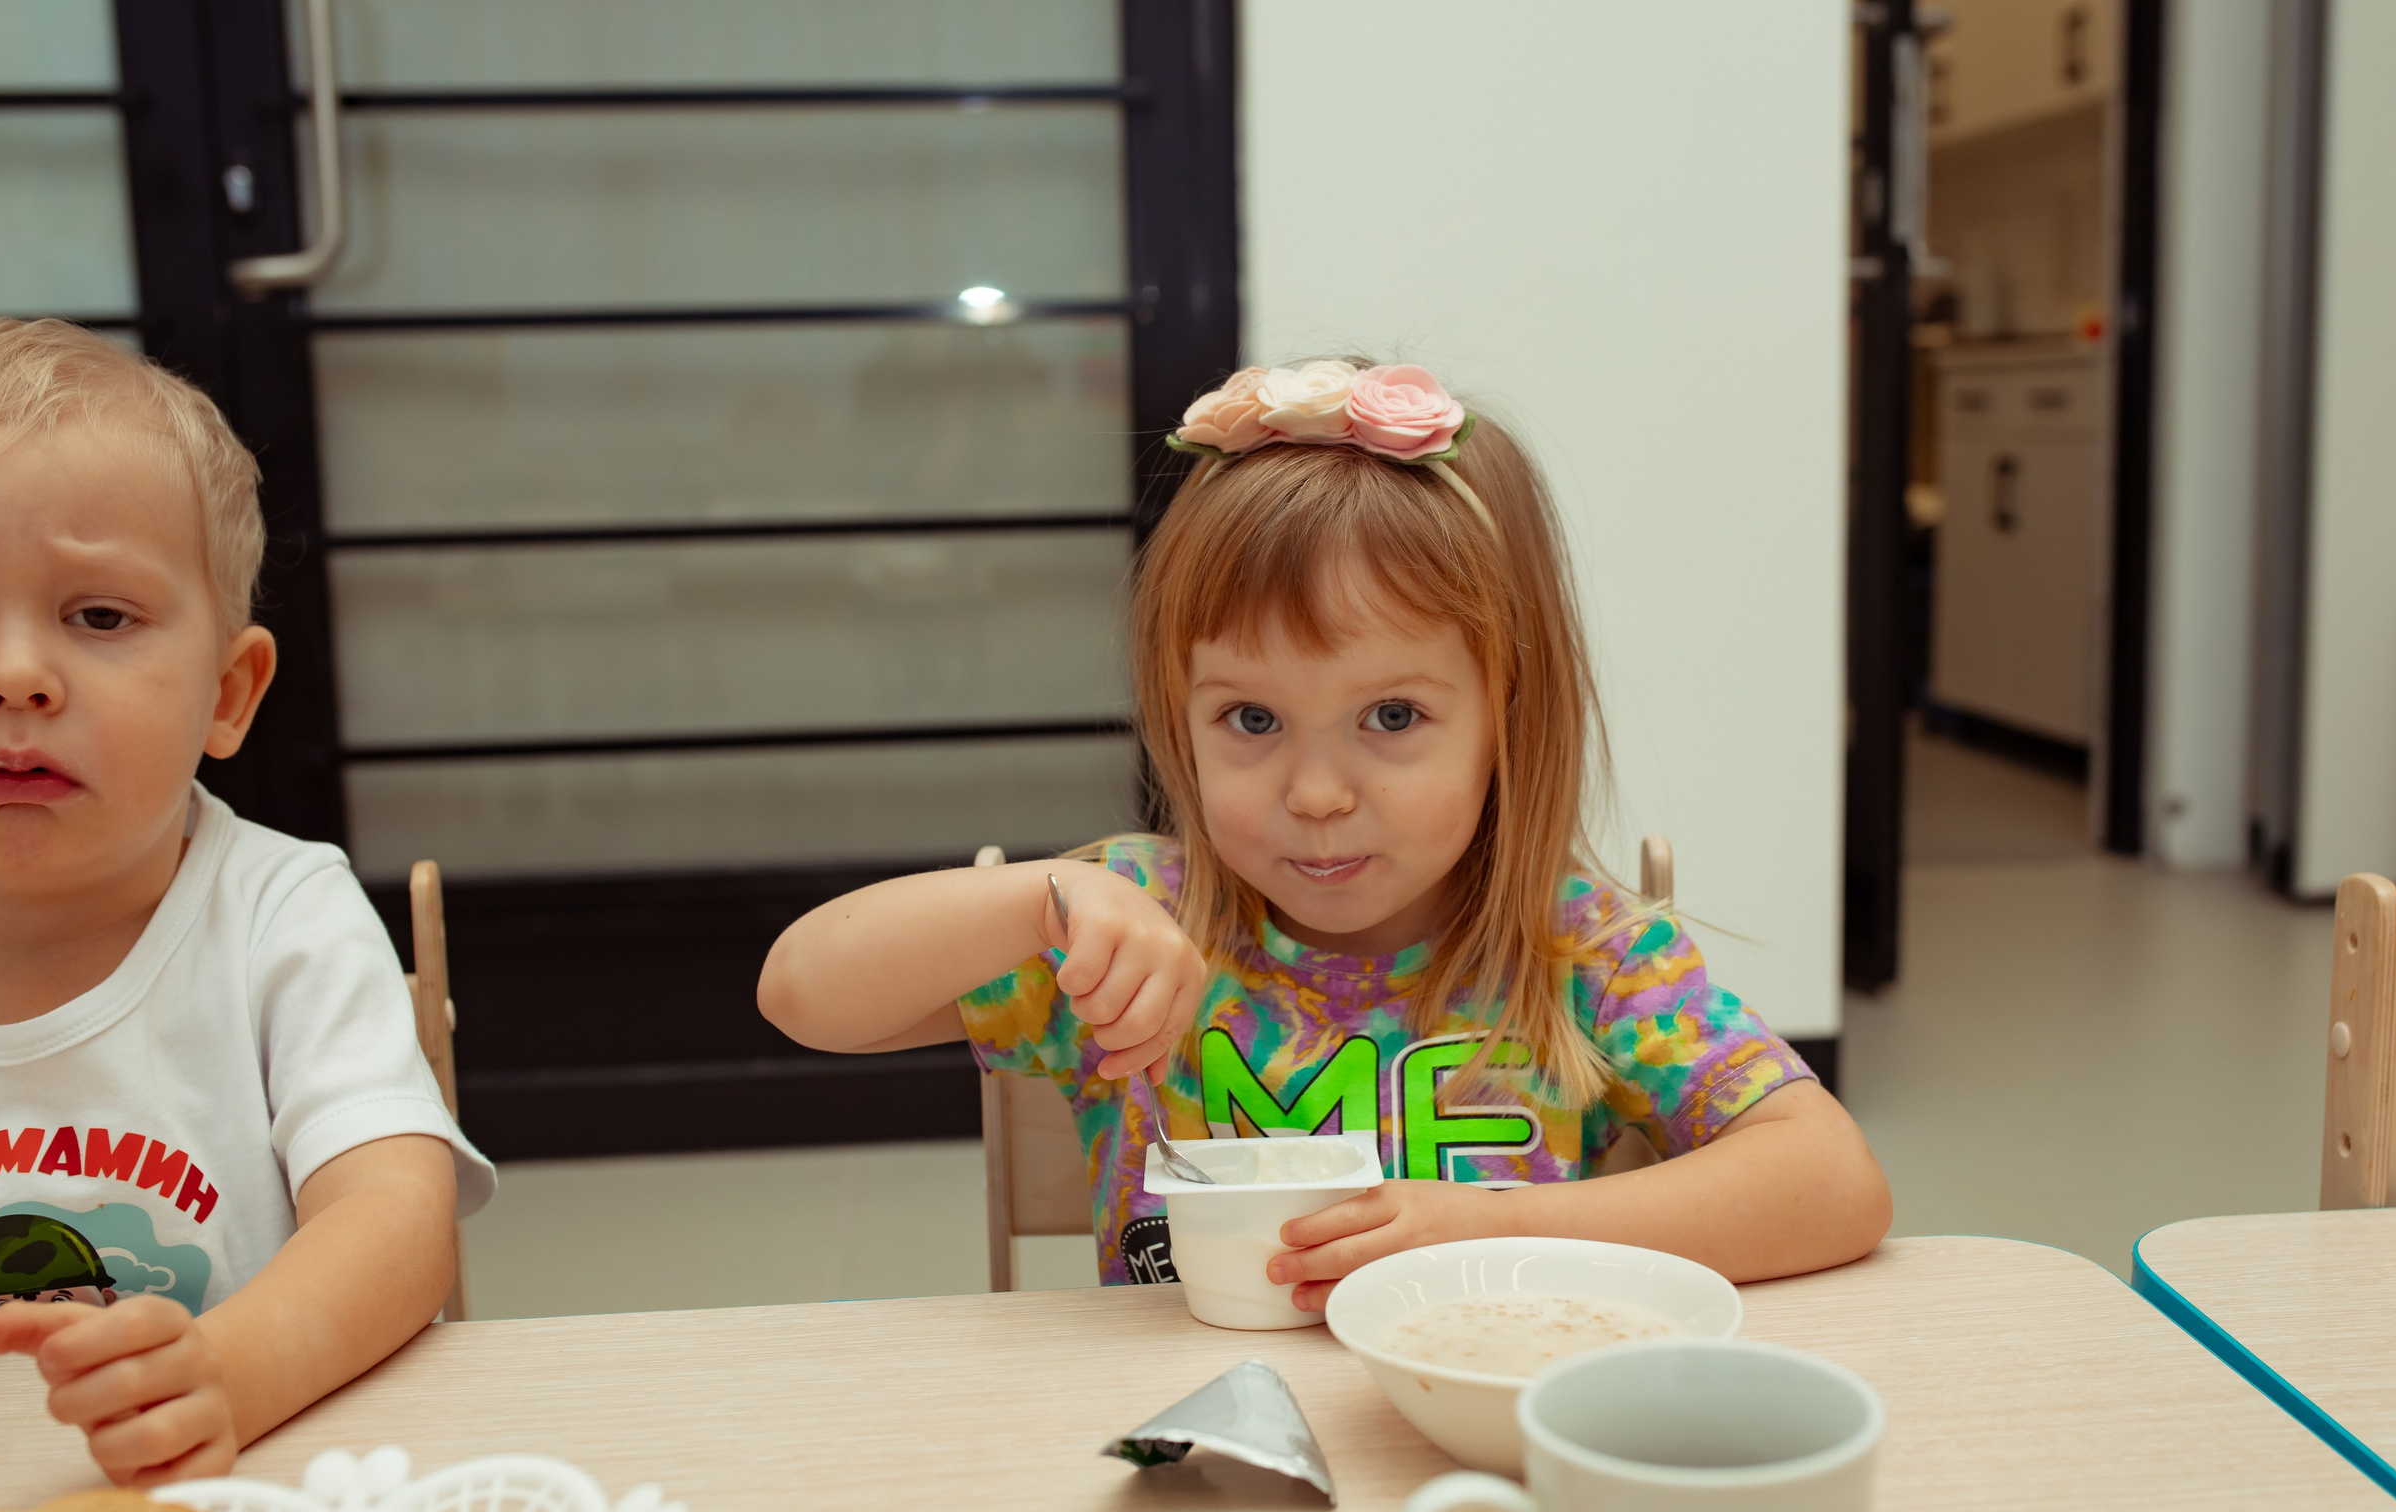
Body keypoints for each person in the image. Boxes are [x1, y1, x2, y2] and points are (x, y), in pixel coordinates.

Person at [759, 359, 1889, 1306]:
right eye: (1250, 719)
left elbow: (1834, 1184)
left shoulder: (1580, 950)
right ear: (1177, 715)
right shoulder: (1130, 929)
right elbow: (803, 995)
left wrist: (1501, 1232)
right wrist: (1036, 899)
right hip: (1193, 1465)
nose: (1314, 793)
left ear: (1509, 713)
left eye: (1390, 717)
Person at [0, 319, 493, 1483]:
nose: (15, 674)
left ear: (227, 693)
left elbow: (396, 1217)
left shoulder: (280, 914)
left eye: (98, 616)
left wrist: (233, 1372)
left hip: (236, 1481)